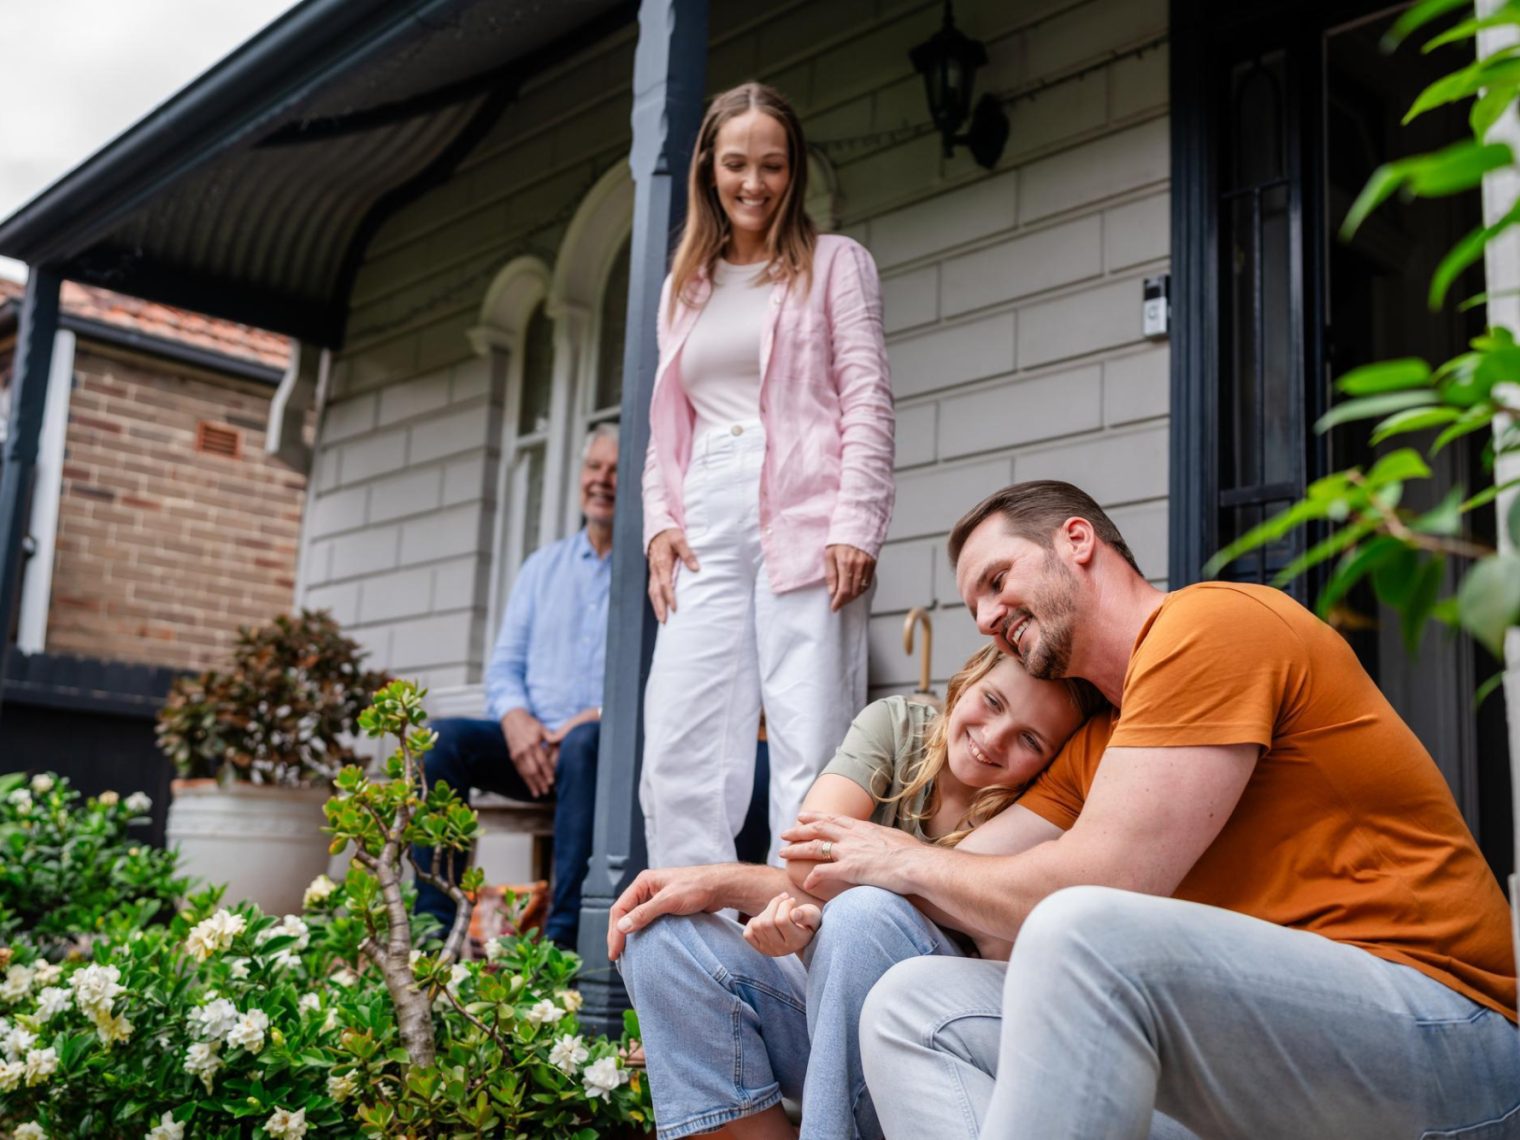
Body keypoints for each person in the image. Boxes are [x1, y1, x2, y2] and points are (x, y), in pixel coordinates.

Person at [779, 480, 1519, 1139]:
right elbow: (956, 878)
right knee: (914, 1006)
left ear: (1076, 539)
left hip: (1444, 1031)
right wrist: (748, 888)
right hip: (1264, 1046)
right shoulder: (1101, 740)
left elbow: (1096, 883)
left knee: (1078, 927)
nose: (985, 616)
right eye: (974, 602)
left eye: (997, 579)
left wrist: (901, 857)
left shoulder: (1210, 625)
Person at [610, 645, 1105, 1140]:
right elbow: (807, 859)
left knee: (866, 914)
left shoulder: (1040, 806)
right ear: (970, 677)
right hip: (830, 1031)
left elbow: (980, 941)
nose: (993, 740)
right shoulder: (900, 727)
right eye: (993, 702)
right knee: (659, 934)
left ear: (1052, 760)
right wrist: (791, 912)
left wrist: (757, 891)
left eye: (1030, 740)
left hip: (925, 1052)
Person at [639, 81, 895, 870]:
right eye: (738, 164)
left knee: (809, 739)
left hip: (809, 516)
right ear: (709, 169)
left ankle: (799, 950)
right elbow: (665, 427)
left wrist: (857, 524)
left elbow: (866, 395)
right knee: (678, 746)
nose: (754, 183)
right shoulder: (687, 287)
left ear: (796, 171)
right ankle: (688, 955)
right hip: (705, 522)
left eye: (773, 165)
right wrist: (658, 522)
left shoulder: (835, 265)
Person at [411, 426, 618, 951]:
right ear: (580, 477)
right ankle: (434, 927)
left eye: (615, 471)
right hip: (527, 749)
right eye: (595, 467)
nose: (603, 480)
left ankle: (560, 943)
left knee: (584, 744)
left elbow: (658, 679)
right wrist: (517, 720)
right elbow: (504, 669)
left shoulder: (645, 573)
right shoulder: (540, 568)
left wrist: (595, 714)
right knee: (440, 741)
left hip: (598, 755)